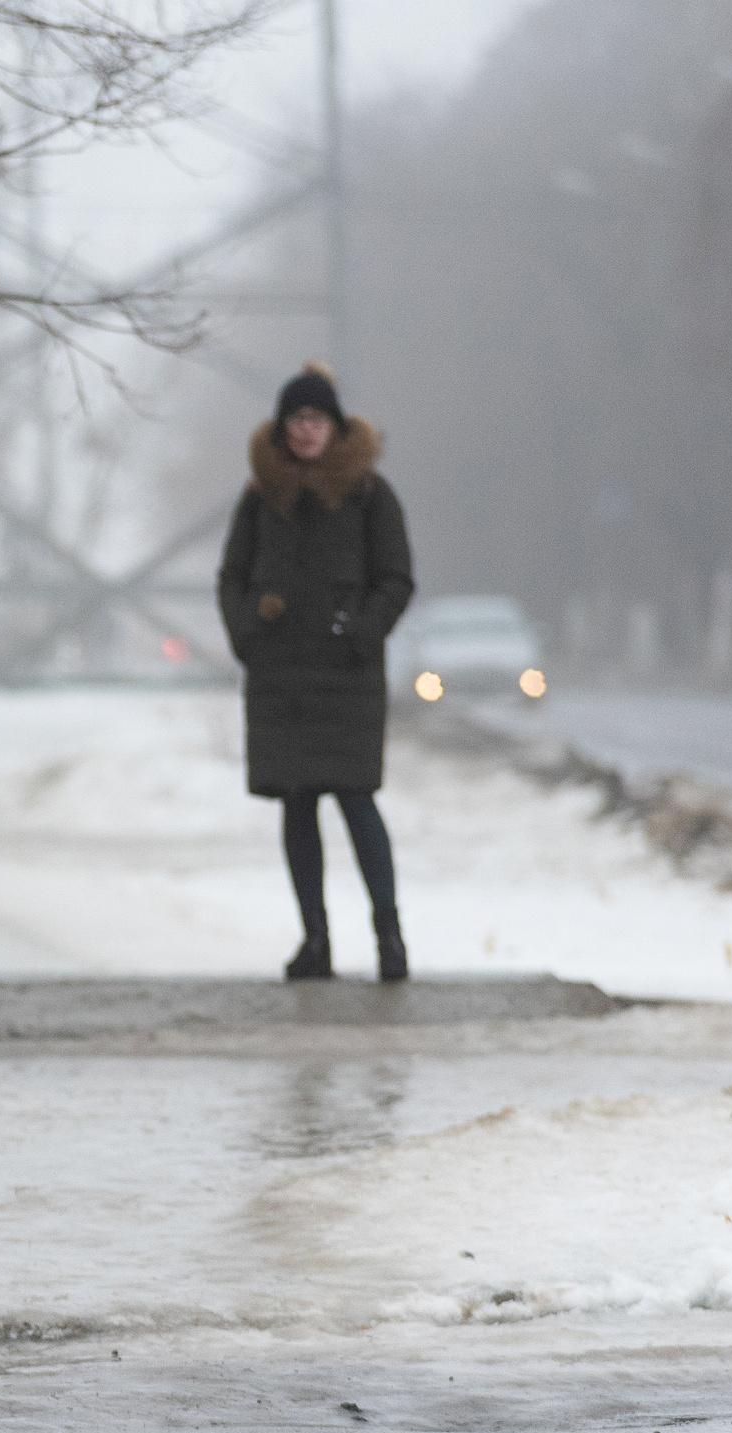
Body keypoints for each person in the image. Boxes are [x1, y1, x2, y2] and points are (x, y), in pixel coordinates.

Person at [217, 362, 416, 983]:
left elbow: (396, 578)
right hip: (281, 678)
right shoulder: (260, 499)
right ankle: (315, 941)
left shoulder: (369, 495)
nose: (305, 431)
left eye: (316, 418)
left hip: (346, 676)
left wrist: (364, 630)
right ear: (281, 429)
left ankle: (389, 937)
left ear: (335, 425)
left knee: (358, 801)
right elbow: (232, 579)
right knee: (297, 805)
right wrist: (250, 633)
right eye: (296, 420)